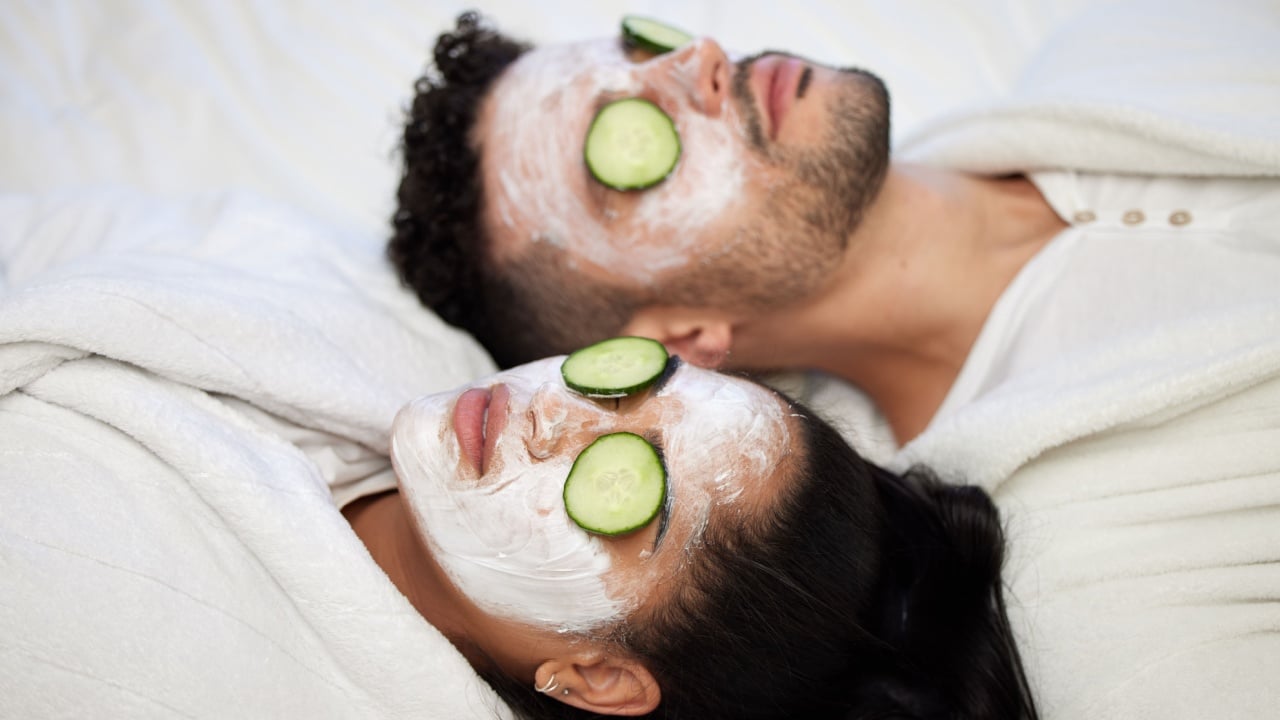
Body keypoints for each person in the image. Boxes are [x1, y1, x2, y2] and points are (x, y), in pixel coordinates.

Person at [388, 8, 1280, 447]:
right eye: (619, 145)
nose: (697, 59)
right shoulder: (1082, 544)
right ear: (685, 337)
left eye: (644, 49)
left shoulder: (1143, 34)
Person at [344, 350, 1038, 719]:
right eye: (625, 386)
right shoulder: (389, 326)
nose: (550, 411)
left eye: (618, 484)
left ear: (599, 676)